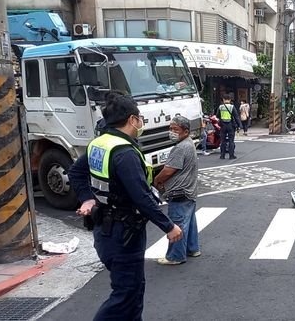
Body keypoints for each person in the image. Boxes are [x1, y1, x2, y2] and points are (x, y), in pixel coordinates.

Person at [69, 92, 182, 320]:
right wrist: (168, 226)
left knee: (133, 292)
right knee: (124, 295)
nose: (141, 121)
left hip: (107, 230)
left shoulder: (99, 144)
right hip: (123, 235)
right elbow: (141, 196)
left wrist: (87, 198)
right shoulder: (125, 153)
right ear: (132, 119)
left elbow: (76, 172)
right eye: (139, 117)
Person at [153, 116, 201, 265]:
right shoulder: (188, 143)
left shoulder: (180, 148)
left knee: (178, 224)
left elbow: (168, 171)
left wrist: (157, 181)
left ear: (185, 131)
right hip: (188, 190)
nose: (172, 132)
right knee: (189, 221)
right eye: (171, 128)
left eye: (176, 129)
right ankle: (192, 248)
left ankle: (176, 256)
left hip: (179, 191)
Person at [216, 95, 242, 159]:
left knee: (223, 141)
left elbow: (217, 115)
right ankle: (231, 155)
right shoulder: (232, 107)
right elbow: (236, 117)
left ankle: (222, 155)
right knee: (231, 141)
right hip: (230, 125)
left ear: (223, 100)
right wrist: (239, 125)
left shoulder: (220, 107)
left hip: (222, 125)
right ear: (230, 100)